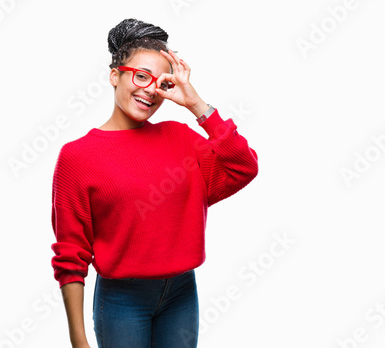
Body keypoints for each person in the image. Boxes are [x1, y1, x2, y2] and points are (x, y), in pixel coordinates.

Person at [50, 18, 258, 348]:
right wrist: (78, 339)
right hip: (121, 300)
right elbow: (70, 254)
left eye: (161, 82)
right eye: (141, 76)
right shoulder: (78, 157)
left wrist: (196, 104)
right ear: (115, 75)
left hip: (181, 293)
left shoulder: (180, 138)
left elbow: (243, 167)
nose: (149, 89)